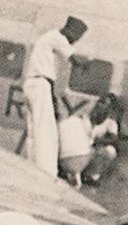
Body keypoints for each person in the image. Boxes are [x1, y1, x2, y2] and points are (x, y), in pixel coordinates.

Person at [22, 16, 88, 174]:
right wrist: (88, 63)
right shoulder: (58, 37)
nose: (75, 41)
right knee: (46, 130)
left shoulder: (48, 37)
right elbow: (76, 60)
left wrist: (53, 100)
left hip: (32, 83)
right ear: (71, 30)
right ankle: (46, 170)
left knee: (34, 127)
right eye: (77, 37)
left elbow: (49, 79)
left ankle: (32, 162)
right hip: (40, 84)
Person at [81, 94, 122, 187]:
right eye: (99, 101)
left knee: (110, 151)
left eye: (103, 103)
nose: (99, 105)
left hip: (93, 150)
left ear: (109, 108)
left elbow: (113, 138)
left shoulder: (110, 122)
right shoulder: (86, 115)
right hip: (80, 145)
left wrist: (99, 141)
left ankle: (90, 176)